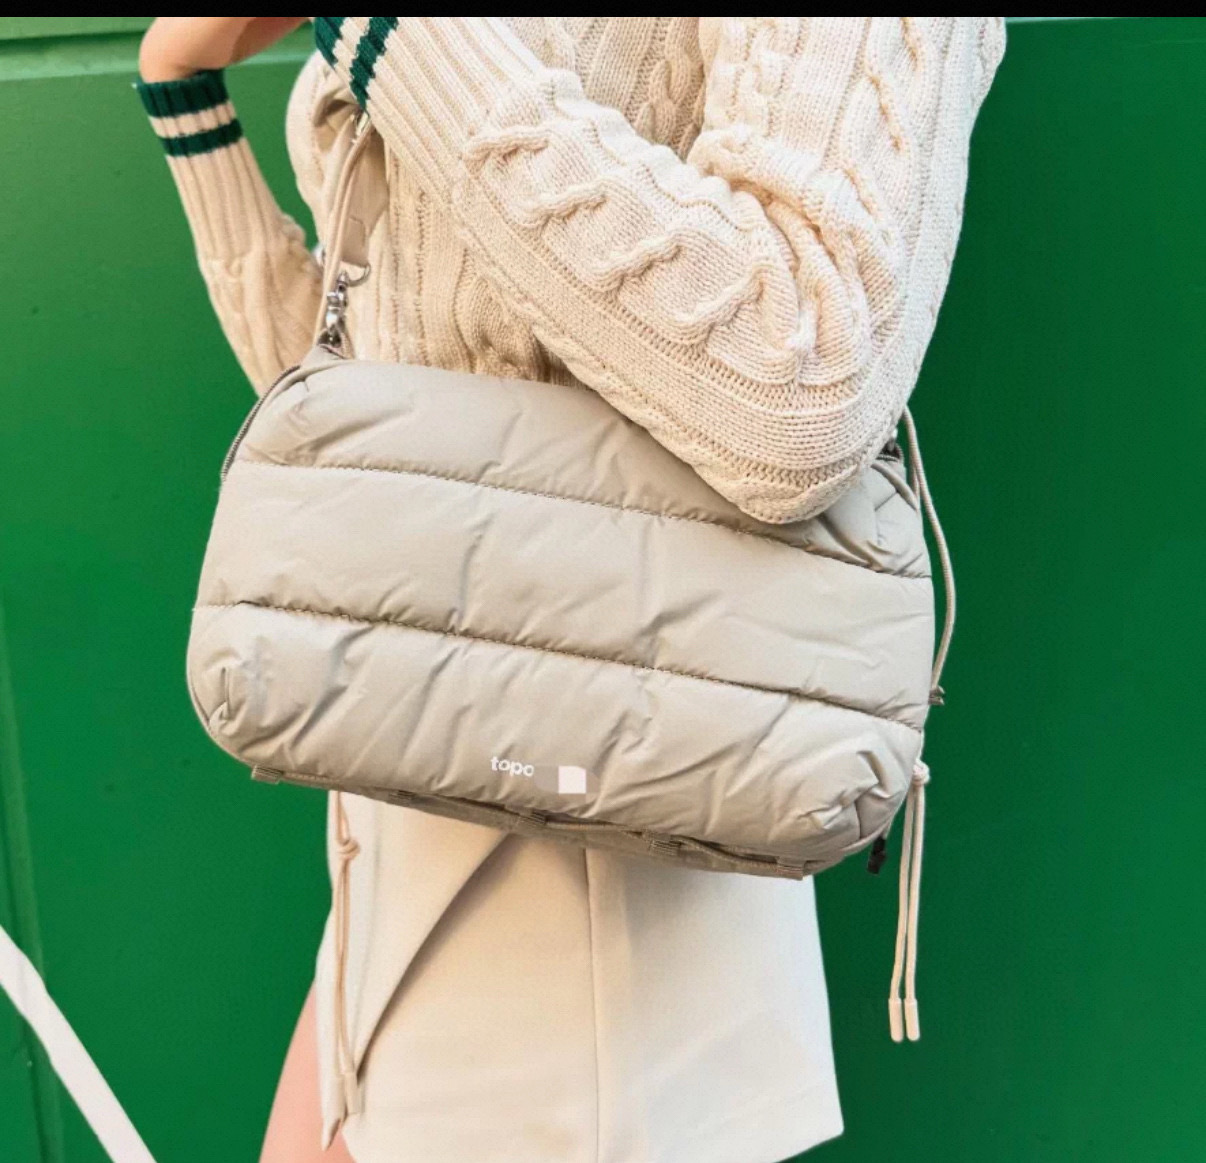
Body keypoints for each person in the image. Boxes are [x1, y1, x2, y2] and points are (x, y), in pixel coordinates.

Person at [137, 18, 1004, 1162]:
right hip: (406, 820)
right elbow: (391, 451)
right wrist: (184, 91)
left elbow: (801, 384)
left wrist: (390, 37)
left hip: (604, 903)